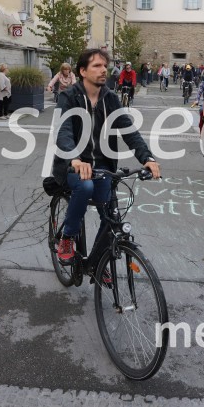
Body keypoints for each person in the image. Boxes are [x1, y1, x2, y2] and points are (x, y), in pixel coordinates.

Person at [51, 49, 161, 262]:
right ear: (83, 71)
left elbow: (128, 130)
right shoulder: (69, 96)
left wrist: (147, 158)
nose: (103, 70)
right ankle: (68, 236)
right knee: (85, 187)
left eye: (104, 66)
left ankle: (98, 263)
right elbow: (62, 130)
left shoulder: (110, 98)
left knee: (111, 215)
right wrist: (75, 158)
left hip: (102, 166)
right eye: (97, 66)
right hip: (72, 165)